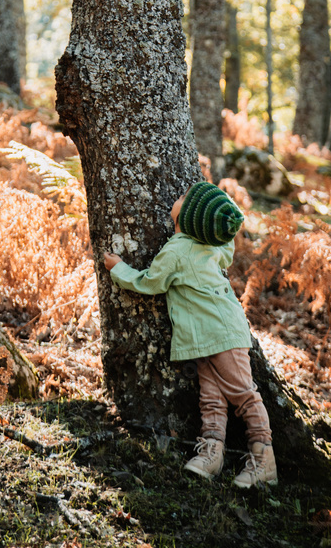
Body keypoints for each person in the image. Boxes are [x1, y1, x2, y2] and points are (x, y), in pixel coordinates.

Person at [103, 181, 277, 488]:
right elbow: (227, 243)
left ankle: (264, 460)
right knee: (211, 398)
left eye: (184, 197)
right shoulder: (214, 246)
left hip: (221, 334)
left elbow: (150, 282)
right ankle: (212, 454)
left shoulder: (177, 251)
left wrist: (119, 269)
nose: (177, 195)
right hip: (208, 336)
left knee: (243, 395)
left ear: (191, 217)